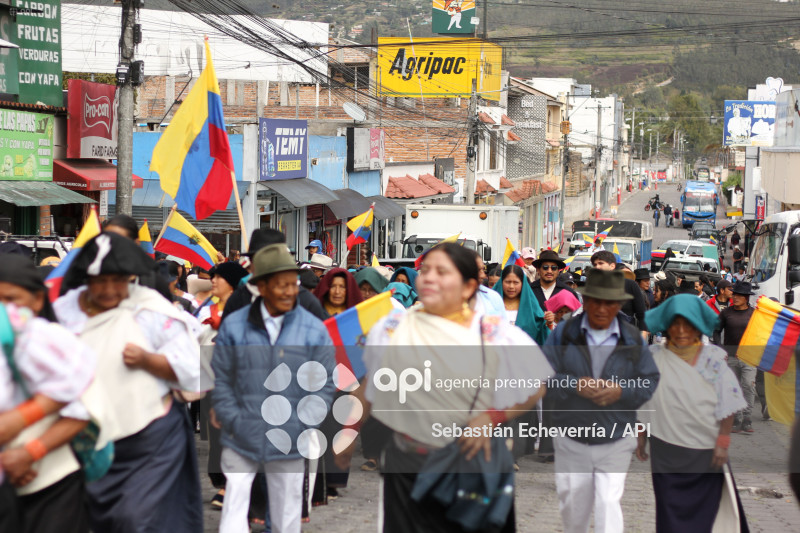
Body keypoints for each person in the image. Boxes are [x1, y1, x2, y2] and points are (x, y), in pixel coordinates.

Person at [358, 242, 553, 532]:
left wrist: (492, 418)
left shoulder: (491, 332)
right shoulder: (393, 327)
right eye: (425, 270)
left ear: (468, 286)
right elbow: (371, 384)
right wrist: (345, 433)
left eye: (442, 272)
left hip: (473, 465)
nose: (429, 278)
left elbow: (536, 383)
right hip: (409, 463)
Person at [53, 232, 204, 532]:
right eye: (100, 281)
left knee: (135, 519)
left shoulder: (151, 311)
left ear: (130, 278)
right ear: (86, 279)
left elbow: (194, 370)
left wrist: (150, 361)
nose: (109, 289)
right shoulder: (64, 311)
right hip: (85, 436)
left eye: (117, 280)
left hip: (149, 437)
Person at [212, 243, 336, 533]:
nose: (289, 291)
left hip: (291, 437)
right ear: (262, 286)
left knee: (287, 515)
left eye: (293, 284)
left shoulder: (313, 329)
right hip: (241, 434)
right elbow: (221, 378)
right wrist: (234, 420)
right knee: (234, 510)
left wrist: (303, 423)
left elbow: (324, 383)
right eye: (280, 285)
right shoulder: (235, 326)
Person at [542, 269, 659, 533]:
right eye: (596, 301)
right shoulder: (564, 334)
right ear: (585, 300)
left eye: (610, 302)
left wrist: (621, 391)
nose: (602, 308)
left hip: (616, 435)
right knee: (574, 510)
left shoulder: (632, 338)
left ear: (619, 304)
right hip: (571, 435)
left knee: (607, 502)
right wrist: (574, 385)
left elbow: (649, 380)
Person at [638, 295, 750, 532]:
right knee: (669, 511)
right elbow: (645, 400)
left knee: (706, 513)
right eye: (675, 324)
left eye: (688, 324)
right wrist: (640, 439)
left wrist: (723, 442)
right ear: (666, 326)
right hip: (665, 450)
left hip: (705, 451)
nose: (681, 331)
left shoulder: (713, 361)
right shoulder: (653, 357)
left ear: (698, 326)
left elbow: (728, 403)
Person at [0, 257, 96, 533]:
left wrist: (30, 452)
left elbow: (83, 408)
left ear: (38, 300)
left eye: (11, 299)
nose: (4, 310)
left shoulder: (50, 342)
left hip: (52, 483)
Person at [223, 229, 327, 323]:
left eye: (271, 259)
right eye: (258, 259)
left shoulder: (305, 301)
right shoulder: (238, 298)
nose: (264, 265)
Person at [713, 281, 757, 434]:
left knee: (749, 385)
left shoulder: (754, 314)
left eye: (739, 295)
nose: (735, 297)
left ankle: (747, 418)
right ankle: (737, 419)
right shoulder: (726, 313)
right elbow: (716, 331)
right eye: (734, 294)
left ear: (746, 298)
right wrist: (720, 348)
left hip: (749, 357)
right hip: (730, 357)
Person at [591, 251, 647, 331]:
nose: (597, 267)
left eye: (601, 263)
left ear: (612, 266)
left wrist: (642, 335)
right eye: (595, 265)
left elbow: (642, 315)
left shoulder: (630, 285)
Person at [492, 264, 548, 344]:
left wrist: (548, 323)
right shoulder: (491, 303)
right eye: (508, 282)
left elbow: (541, 329)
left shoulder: (531, 305)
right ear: (501, 282)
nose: (511, 286)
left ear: (522, 283)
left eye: (516, 282)